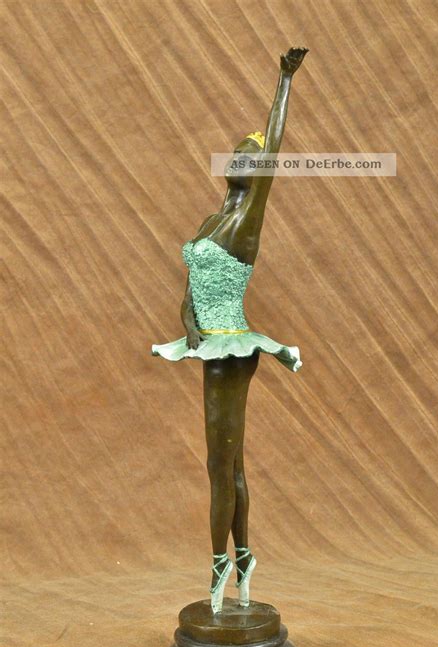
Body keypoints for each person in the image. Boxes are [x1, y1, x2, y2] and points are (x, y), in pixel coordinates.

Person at [152, 47, 308, 614]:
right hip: (206, 343)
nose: (245, 158)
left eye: (252, 156)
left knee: (220, 466)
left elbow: (276, 142)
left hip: (234, 346)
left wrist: (283, 82)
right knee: (228, 463)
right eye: (239, 152)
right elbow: (188, 291)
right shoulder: (210, 220)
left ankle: (221, 564)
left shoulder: (246, 219)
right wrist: (188, 325)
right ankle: (242, 558)